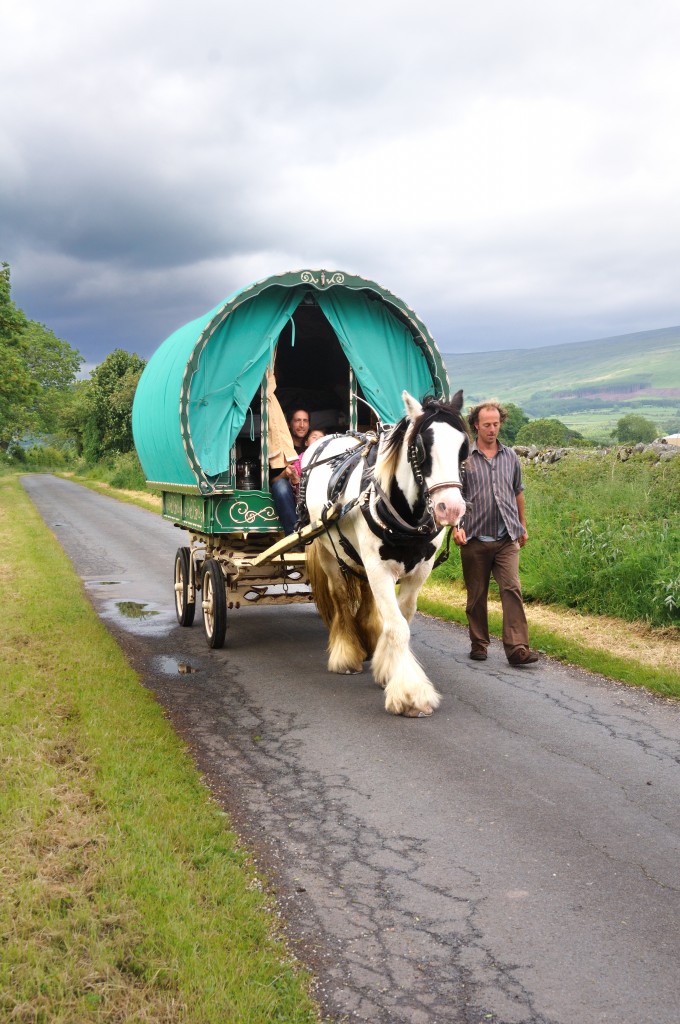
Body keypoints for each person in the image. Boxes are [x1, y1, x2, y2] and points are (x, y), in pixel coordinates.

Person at [452, 400, 539, 666]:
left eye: (496, 424)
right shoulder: (464, 458)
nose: (492, 429)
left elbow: (517, 491)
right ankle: (479, 643)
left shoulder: (510, 456)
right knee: (476, 594)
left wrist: (521, 524)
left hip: (506, 538)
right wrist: (455, 527)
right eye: (487, 424)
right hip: (475, 537)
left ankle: (517, 649)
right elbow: (456, 495)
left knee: (511, 588)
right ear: (476, 425)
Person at [269, 406, 310, 534]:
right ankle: (294, 536)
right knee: (281, 485)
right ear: (289, 424)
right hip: (286, 493)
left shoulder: (311, 447)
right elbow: (271, 481)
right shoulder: (278, 448)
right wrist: (285, 474)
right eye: (297, 420)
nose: (302, 425)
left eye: (305, 421)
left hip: (306, 491)